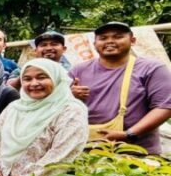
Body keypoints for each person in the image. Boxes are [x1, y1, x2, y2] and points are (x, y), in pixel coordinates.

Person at [70, 22, 171, 155]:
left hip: (136, 152)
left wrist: (129, 134)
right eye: (103, 38)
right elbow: (57, 104)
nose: (110, 41)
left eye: (118, 37)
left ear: (132, 40)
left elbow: (164, 107)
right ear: (94, 44)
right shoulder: (79, 70)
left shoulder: (151, 69)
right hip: (87, 151)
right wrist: (69, 95)